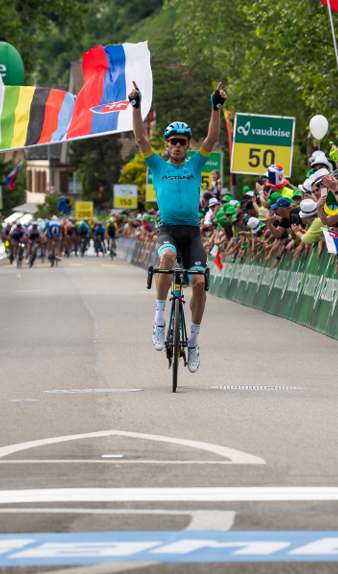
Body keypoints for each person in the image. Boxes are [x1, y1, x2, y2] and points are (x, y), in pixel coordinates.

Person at [131, 78, 225, 373]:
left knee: (198, 283)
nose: (177, 146)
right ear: (167, 145)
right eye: (173, 141)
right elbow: (139, 139)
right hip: (168, 230)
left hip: (192, 234)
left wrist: (216, 108)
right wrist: (135, 106)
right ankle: (160, 322)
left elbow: (210, 139)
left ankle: (194, 343)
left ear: (187, 146)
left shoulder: (196, 164)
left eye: (183, 142)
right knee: (167, 258)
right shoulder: (158, 166)